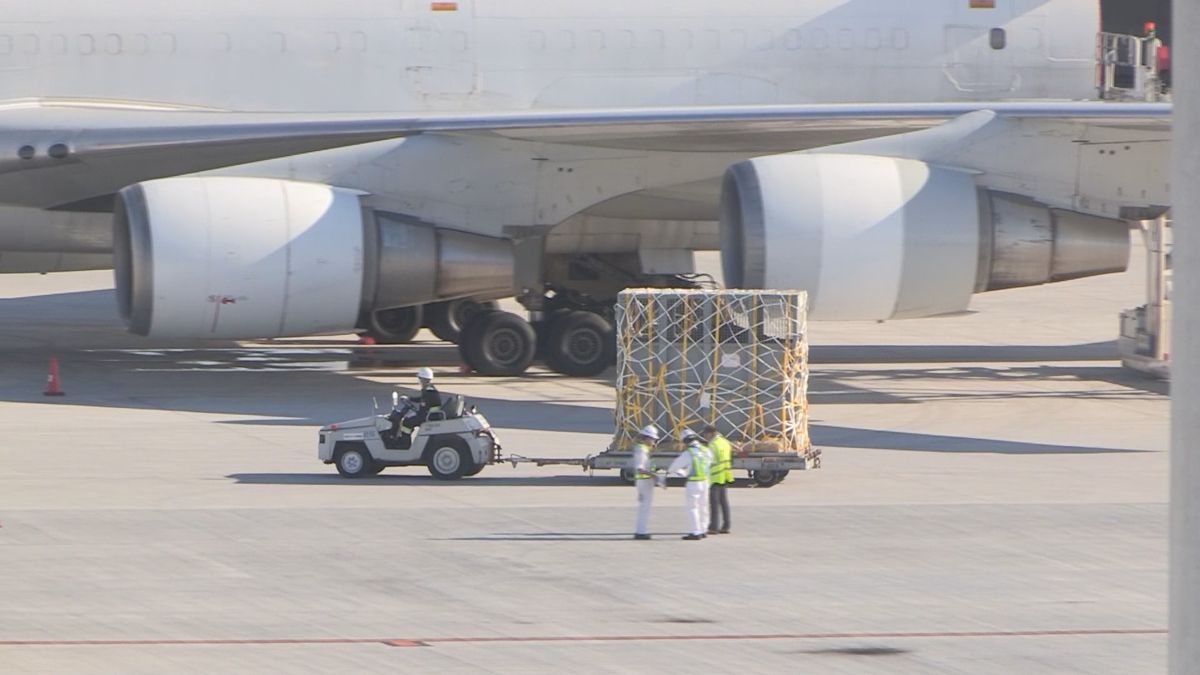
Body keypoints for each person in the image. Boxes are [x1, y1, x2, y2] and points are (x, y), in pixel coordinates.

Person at [667, 429, 712, 540]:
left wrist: (672, 471)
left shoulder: (689, 453)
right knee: (704, 506)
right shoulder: (706, 450)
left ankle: (695, 532)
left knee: (693, 508)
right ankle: (703, 530)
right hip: (705, 481)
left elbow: (675, 466)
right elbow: (710, 461)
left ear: (685, 441)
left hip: (694, 483)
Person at [398, 367, 443, 447]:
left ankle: (404, 444)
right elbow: (422, 400)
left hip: (429, 416)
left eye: (420, 379)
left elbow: (423, 404)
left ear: (424, 380)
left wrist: (416, 412)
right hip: (429, 415)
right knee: (410, 419)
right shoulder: (429, 390)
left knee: (406, 422)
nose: (420, 381)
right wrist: (410, 399)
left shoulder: (429, 392)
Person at [631, 425, 660, 540]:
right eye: (653, 439)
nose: (654, 441)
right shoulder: (641, 450)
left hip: (645, 481)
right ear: (646, 438)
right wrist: (654, 476)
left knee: (645, 507)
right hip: (644, 482)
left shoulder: (645, 449)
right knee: (644, 507)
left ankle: (642, 530)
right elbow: (640, 468)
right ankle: (640, 532)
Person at [703, 425, 734, 534]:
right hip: (725, 475)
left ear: (711, 433)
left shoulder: (712, 445)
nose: (705, 437)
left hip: (715, 476)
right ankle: (726, 525)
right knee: (724, 502)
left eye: (705, 434)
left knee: (714, 503)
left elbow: (708, 462)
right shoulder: (725, 442)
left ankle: (713, 527)